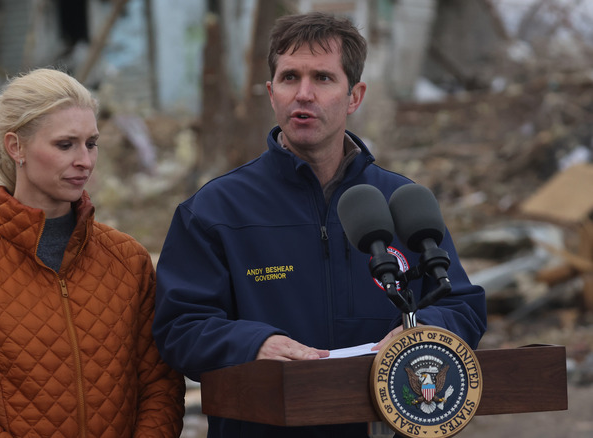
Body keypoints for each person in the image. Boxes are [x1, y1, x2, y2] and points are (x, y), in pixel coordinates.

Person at [152, 12, 487, 438]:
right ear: (272, 93)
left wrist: (421, 333)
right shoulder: (215, 210)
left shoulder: (402, 202)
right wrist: (254, 345)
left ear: (354, 96)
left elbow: (462, 306)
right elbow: (180, 327)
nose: (304, 94)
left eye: (323, 79)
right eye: (290, 77)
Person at [0, 68, 185, 437]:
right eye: (66, 145)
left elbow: (161, 389)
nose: (85, 161)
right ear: (16, 147)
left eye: (91, 143)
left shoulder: (129, 260)